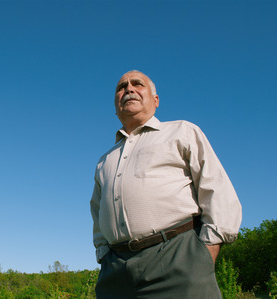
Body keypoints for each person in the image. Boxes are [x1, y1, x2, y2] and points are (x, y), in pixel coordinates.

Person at [90, 70, 242, 298]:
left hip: (178, 258)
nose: (128, 89)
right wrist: (104, 254)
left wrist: (202, 255)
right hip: (115, 271)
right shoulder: (105, 159)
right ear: (115, 103)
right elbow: (97, 210)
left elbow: (218, 192)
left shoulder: (182, 131)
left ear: (155, 100)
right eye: (121, 87)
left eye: (137, 84)